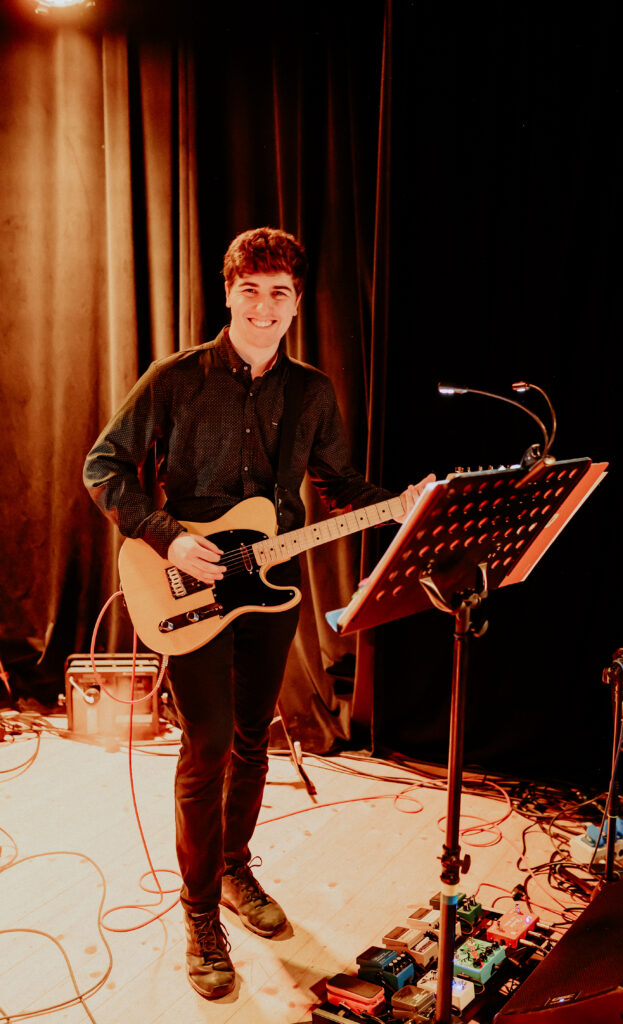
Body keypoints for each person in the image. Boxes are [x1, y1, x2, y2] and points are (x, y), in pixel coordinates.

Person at [83, 226, 433, 1000]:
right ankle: (199, 911)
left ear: (297, 303)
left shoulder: (312, 392)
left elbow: (338, 484)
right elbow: (102, 465)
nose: (264, 307)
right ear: (229, 293)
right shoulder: (175, 378)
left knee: (251, 739)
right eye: (251, 291)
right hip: (188, 582)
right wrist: (167, 537)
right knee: (206, 743)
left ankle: (236, 869)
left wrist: (401, 505)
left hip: (272, 587)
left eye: (280, 294)